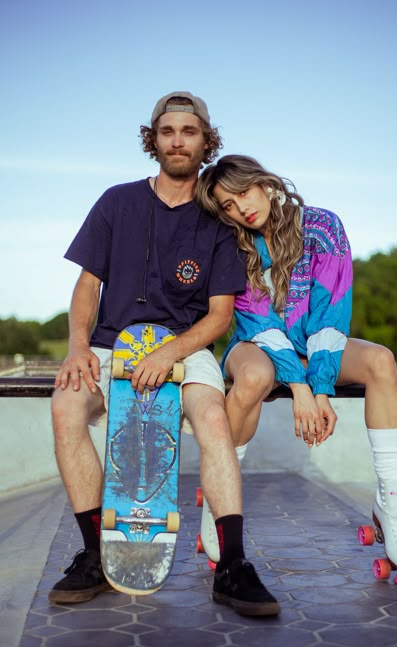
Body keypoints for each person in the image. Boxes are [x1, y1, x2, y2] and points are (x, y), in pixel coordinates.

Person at [48, 96, 280, 617]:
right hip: (110, 344)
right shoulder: (116, 202)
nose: (178, 139)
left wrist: (170, 352)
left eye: (190, 130)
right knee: (65, 409)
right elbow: (88, 284)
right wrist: (78, 346)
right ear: (153, 139)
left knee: (214, 422)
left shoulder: (218, 221)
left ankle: (233, 567)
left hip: (187, 344)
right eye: (168, 130)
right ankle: (94, 553)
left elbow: (220, 316)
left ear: (206, 142)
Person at [195, 154, 397, 583]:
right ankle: (218, 501)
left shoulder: (323, 226)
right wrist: (299, 388)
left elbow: (330, 311)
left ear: (264, 183)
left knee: (380, 360)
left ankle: (393, 504)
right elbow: (259, 320)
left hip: (315, 344)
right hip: (256, 344)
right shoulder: (233, 243)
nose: (241, 208)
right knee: (257, 375)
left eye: (243, 193)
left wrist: (320, 388)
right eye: (227, 205)